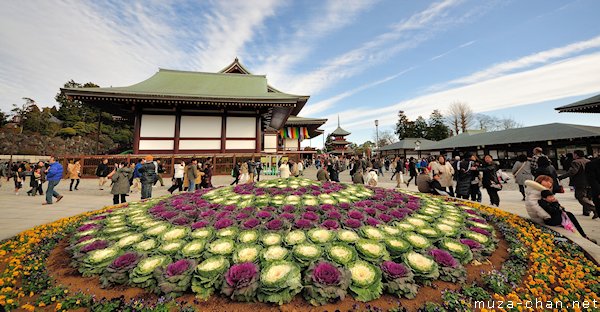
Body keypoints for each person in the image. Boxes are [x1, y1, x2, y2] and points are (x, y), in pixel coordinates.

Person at [558, 150, 596, 217]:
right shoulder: (588, 161)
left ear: (576, 155)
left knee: (580, 196)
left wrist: (561, 177)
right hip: (589, 181)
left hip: (580, 182)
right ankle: (586, 212)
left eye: (574, 154)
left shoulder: (575, 162)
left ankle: (594, 209)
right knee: (586, 196)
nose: (573, 156)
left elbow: (572, 172)